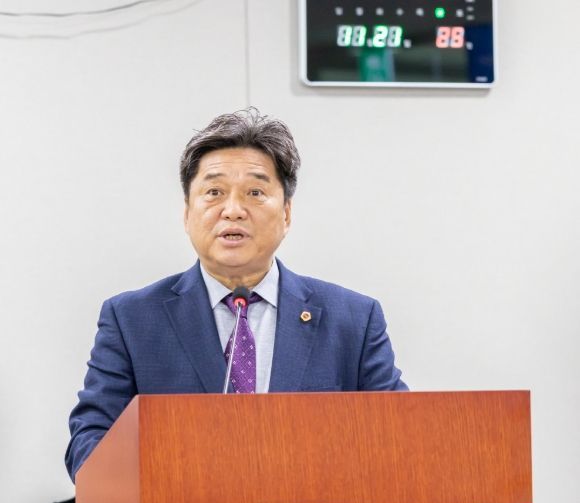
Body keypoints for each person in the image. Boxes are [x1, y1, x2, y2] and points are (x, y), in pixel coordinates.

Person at [65, 108, 408, 481]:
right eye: (214, 192)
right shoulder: (132, 320)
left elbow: (402, 437)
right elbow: (91, 442)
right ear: (187, 213)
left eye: (255, 193)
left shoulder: (353, 320)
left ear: (287, 213)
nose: (232, 210)